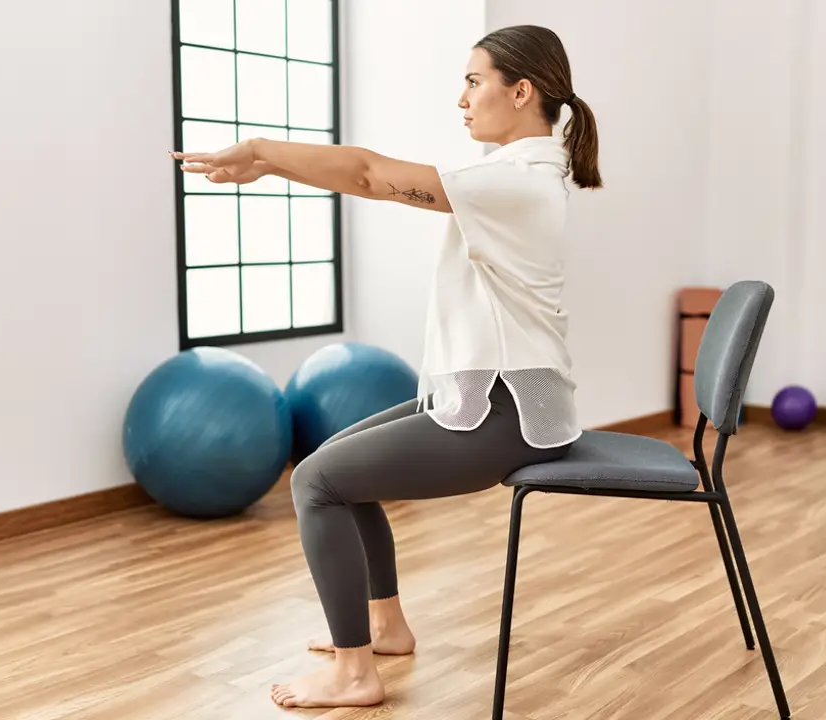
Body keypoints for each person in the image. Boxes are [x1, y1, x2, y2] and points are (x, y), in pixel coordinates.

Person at [172, 24, 601, 710]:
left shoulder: (516, 180)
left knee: (315, 482)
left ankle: (355, 674)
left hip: (507, 415)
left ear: (521, 92)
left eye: (473, 81)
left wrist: (260, 151)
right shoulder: (520, 174)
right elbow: (372, 175)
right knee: (339, 460)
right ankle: (386, 628)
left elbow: (370, 174)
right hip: (490, 397)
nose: (461, 98)